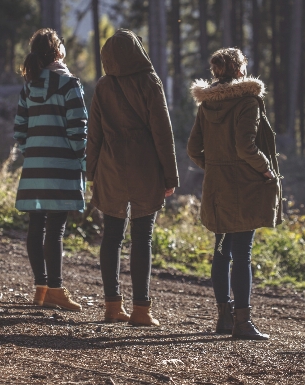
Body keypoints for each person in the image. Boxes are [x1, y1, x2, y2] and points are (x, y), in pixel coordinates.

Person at [187, 47, 282, 340]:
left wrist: (214, 166)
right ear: (240, 70)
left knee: (221, 250)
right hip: (243, 186)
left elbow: (193, 149)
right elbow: (246, 147)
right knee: (242, 254)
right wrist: (266, 170)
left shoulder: (206, 105)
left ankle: (224, 318)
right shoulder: (248, 102)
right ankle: (243, 323)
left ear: (216, 72)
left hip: (217, 187)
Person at [87, 29, 179, 326]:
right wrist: (170, 174)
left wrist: (91, 172)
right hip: (145, 168)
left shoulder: (103, 85)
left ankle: (112, 306)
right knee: (142, 238)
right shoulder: (149, 81)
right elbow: (162, 133)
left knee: (111, 237)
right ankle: (141, 310)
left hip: (111, 167)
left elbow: (95, 133)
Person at [14, 28, 87, 311]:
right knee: (55, 229)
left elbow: (19, 130)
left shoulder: (28, 86)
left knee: (36, 226)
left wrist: (32, 155)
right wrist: (84, 165)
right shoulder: (69, 85)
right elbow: (78, 131)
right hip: (62, 168)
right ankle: (55, 289)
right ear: (58, 51)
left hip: (34, 169)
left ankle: (41, 289)